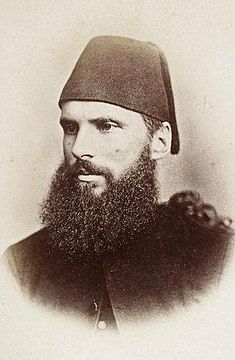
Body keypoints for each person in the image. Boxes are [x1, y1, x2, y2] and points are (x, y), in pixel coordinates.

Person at [3, 36, 233, 335]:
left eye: (105, 126)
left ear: (159, 142)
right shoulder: (21, 266)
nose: (78, 148)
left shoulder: (217, 259)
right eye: (71, 128)